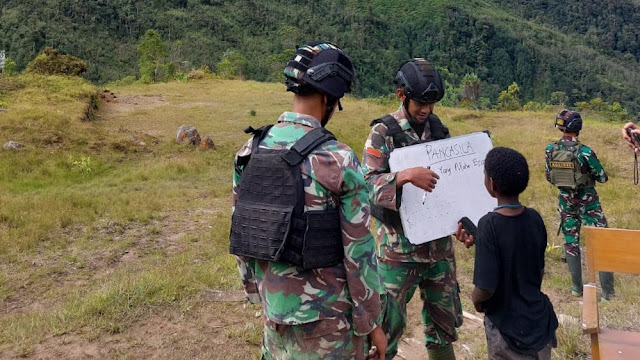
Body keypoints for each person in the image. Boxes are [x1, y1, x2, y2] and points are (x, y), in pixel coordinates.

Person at [229, 41, 386, 359]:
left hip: (274, 318)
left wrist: (259, 294)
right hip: (329, 324)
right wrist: (370, 323)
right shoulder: (338, 160)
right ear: (328, 99)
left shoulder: (250, 151)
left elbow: (242, 235)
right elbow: (359, 252)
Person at [362, 58, 462, 360]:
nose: (426, 109)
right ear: (401, 95)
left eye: (431, 104)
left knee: (444, 327)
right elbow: (367, 185)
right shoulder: (383, 133)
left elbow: (451, 183)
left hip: (439, 250)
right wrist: (403, 177)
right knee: (386, 330)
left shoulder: (439, 129)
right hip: (398, 252)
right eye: (420, 102)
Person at [456, 147, 559, 359]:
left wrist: (476, 301)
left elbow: (485, 287)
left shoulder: (488, 225)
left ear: (491, 183)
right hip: (539, 321)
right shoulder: (535, 218)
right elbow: (538, 271)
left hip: (507, 330)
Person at [544, 109, 614, 300]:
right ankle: (607, 292)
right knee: (601, 242)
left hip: (566, 203)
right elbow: (602, 177)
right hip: (589, 204)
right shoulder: (585, 152)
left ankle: (577, 288)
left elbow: (549, 177)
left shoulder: (551, 150)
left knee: (571, 242)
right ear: (578, 127)